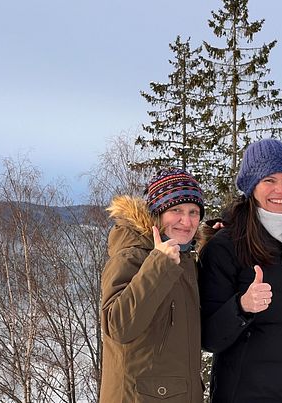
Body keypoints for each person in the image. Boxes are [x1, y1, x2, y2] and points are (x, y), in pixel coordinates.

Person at [199, 138, 282, 402]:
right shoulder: (225, 247)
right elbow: (209, 337)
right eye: (269, 180)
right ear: (252, 186)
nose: (280, 190)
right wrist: (242, 306)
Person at [100, 168, 206, 403]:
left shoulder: (186, 259)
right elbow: (118, 325)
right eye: (176, 210)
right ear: (157, 213)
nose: (186, 221)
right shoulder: (131, 257)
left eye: (194, 212)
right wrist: (158, 265)